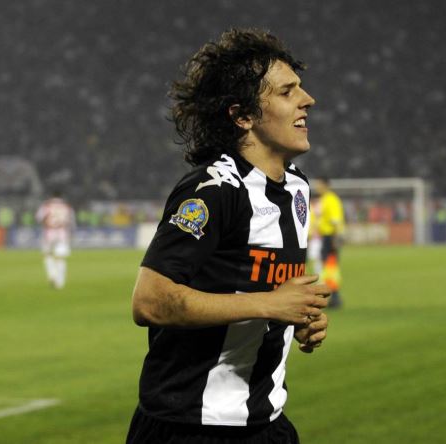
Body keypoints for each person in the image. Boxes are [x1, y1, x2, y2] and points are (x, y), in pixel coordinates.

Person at [126, 28, 330, 444]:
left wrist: (296, 318)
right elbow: (150, 301)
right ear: (242, 116)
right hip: (191, 427)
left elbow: (260, 289)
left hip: (267, 422)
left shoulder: (297, 188)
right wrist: (271, 304)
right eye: (287, 91)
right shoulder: (214, 190)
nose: (307, 99)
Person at [315, 177, 345, 308]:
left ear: (325, 185)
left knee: (330, 267)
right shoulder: (324, 199)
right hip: (326, 237)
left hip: (330, 237)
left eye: (319, 184)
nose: (317, 187)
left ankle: (334, 297)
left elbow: (335, 220)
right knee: (329, 267)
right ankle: (333, 296)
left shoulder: (331, 199)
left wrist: (335, 239)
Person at [35, 191, 75, 289]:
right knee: (61, 258)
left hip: (49, 232)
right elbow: (72, 221)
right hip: (62, 232)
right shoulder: (67, 206)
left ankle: (52, 274)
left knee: (47, 254)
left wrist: (45, 222)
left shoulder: (46, 205)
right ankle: (60, 282)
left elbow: (38, 218)